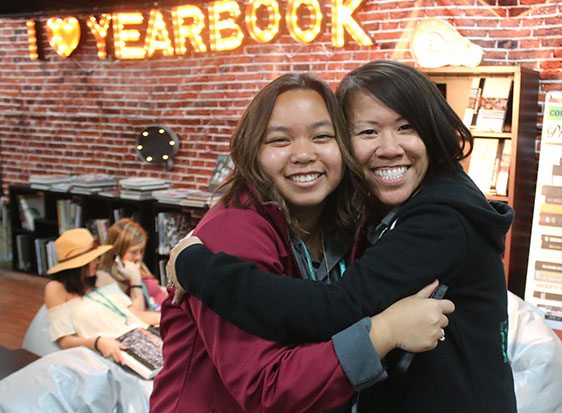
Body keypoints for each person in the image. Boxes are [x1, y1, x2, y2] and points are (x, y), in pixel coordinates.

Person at [169, 60, 517, 412]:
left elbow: (338, 307)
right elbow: (272, 382)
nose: (389, 147)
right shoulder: (239, 230)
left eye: (407, 127)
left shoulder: (439, 220)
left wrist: (196, 268)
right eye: (368, 132)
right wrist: (384, 331)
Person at [44, 228, 161, 365]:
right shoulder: (56, 289)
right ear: (79, 264)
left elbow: (134, 314)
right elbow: (64, 340)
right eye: (93, 258)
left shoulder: (103, 278)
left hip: (140, 337)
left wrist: (172, 316)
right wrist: (97, 342)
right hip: (109, 351)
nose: (98, 261)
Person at [100, 218, 167, 311]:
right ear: (117, 252)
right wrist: (135, 281)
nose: (138, 257)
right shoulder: (108, 281)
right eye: (134, 252)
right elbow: (136, 317)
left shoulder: (138, 266)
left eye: (141, 251)